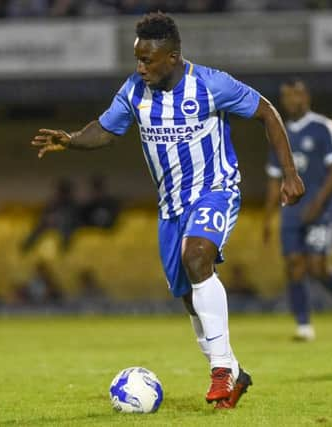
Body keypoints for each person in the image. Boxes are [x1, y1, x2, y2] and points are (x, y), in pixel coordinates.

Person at [30, 12, 304, 409]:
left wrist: (289, 174)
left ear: (172, 57)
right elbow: (106, 129)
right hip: (171, 207)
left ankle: (221, 369)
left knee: (197, 258)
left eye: (148, 60)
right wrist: (71, 140)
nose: (140, 67)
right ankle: (235, 371)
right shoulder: (134, 91)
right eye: (137, 59)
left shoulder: (211, 85)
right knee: (190, 298)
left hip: (215, 191)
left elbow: (267, 112)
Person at [263, 78, 332, 342]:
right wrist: (267, 217)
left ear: (305, 97)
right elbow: (275, 179)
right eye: (285, 96)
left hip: (322, 209)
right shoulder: (279, 131)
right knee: (294, 265)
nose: (289, 101)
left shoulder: (323, 127)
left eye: (294, 95)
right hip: (291, 212)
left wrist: (317, 203)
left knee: (317, 266)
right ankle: (304, 326)